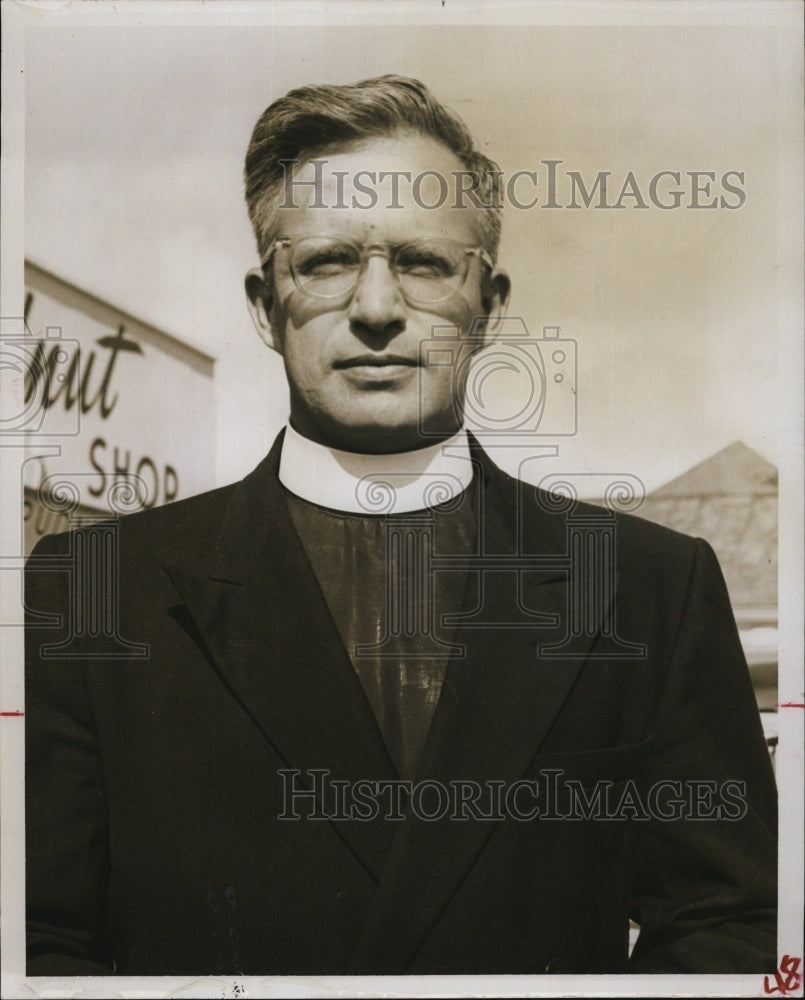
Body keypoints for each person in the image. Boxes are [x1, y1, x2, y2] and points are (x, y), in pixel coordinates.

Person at [25, 75, 776, 978]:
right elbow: (34, 943)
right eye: (326, 261)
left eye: (422, 262)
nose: (377, 308)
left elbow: (730, 925)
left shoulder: (646, 587)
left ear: (489, 305)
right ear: (265, 305)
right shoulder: (97, 589)